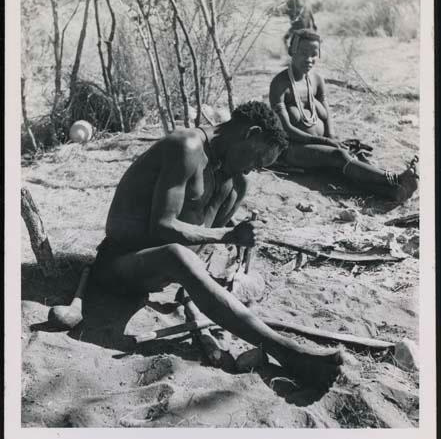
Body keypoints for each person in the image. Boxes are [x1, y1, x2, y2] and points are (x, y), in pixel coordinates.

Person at [93, 101, 344, 389]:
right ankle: (284, 350)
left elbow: (203, 243)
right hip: (119, 265)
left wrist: (237, 243)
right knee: (175, 254)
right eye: (256, 160)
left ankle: (241, 322)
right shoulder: (185, 147)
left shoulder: (234, 182)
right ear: (250, 134)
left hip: (164, 275)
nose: (252, 170)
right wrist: (226, 236)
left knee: (233, 190)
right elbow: (162, 227)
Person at [269, 30, 419, 202]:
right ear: (292, 51)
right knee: (339, 157)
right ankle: (396, 179)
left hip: (321, 145)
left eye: (313, 54)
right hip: (293, 150)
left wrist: (333, 138)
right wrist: (328, 143)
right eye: (303, 53)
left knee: (346, 163)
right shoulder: (280, 83)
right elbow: (287, 130)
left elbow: (326, 114)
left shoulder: (317, 80)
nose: (309, 59)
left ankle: (394, 192)